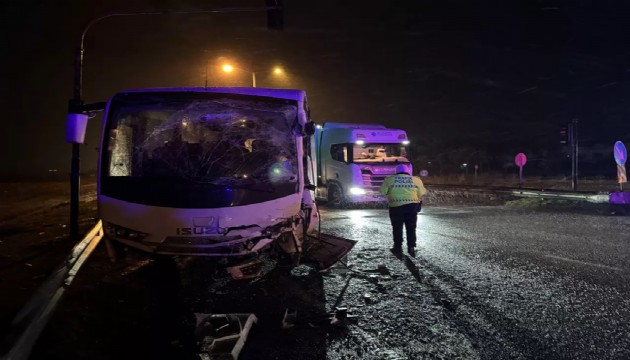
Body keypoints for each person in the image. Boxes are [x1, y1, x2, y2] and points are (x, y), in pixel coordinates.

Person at [379, 164, 427, 257]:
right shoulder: (416, 180)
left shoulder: (389, 179)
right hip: (412, 206)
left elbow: (382, 192)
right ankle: (411, 247)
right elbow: (422, 193)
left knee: (397, 227)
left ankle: (397, 247)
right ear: (408, 171)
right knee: (411, 227)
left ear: (396, 171)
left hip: (396, 207)